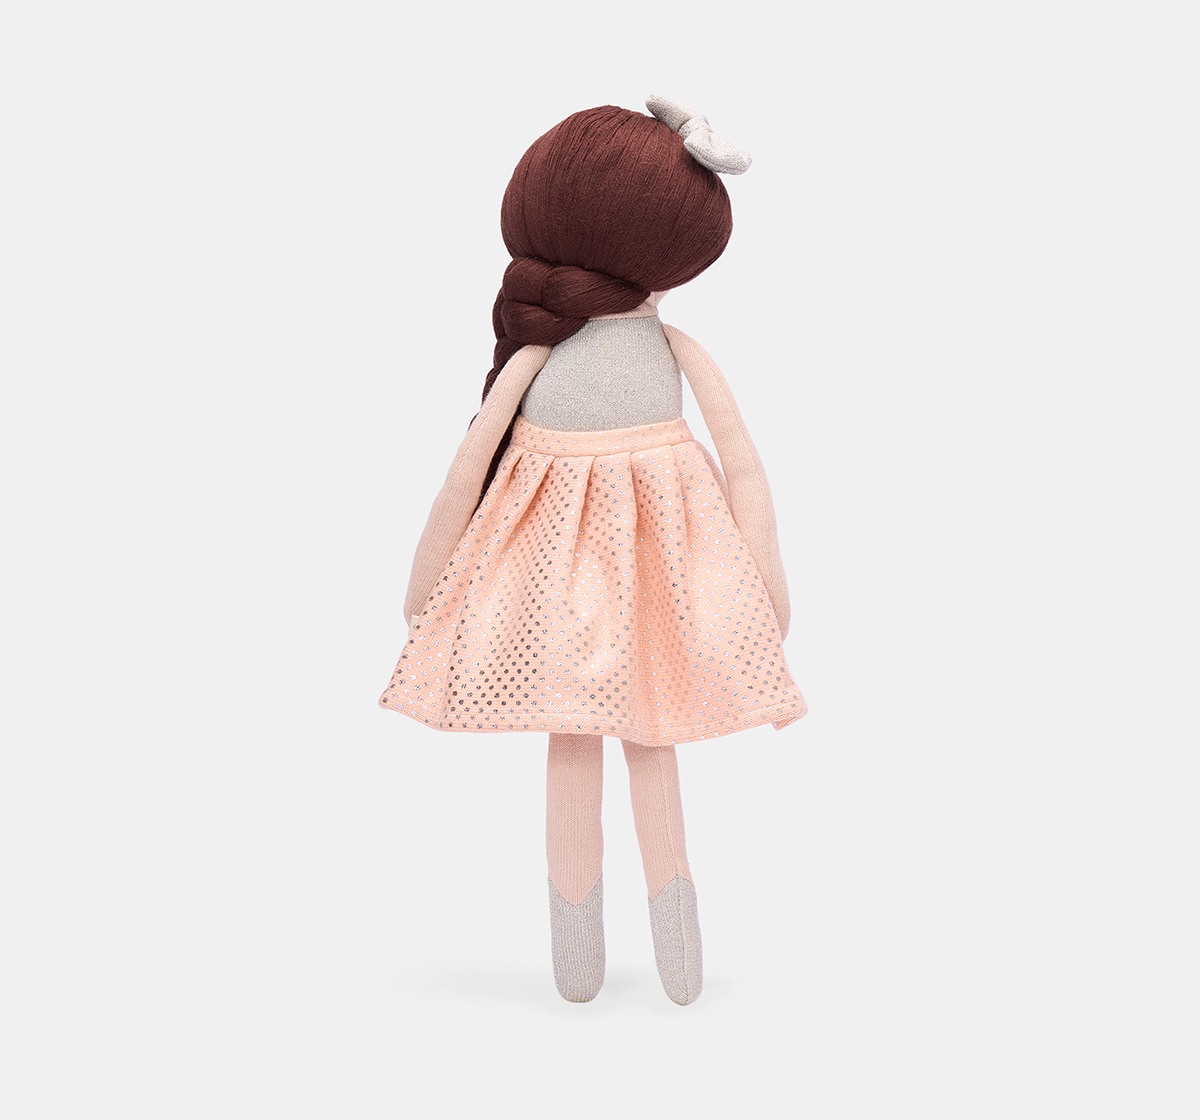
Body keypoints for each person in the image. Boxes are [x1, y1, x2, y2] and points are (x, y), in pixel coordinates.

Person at [378, 96, 807, 1004]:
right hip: (582, 568)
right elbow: (742, 467)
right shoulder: (597, 351)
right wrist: (768, 587)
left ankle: (656, 943)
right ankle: (607, 947)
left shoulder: (596, 353)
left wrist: (427, 583)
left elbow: (742, 468)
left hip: (648, 564)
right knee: (623, 735)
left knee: (620, 735)